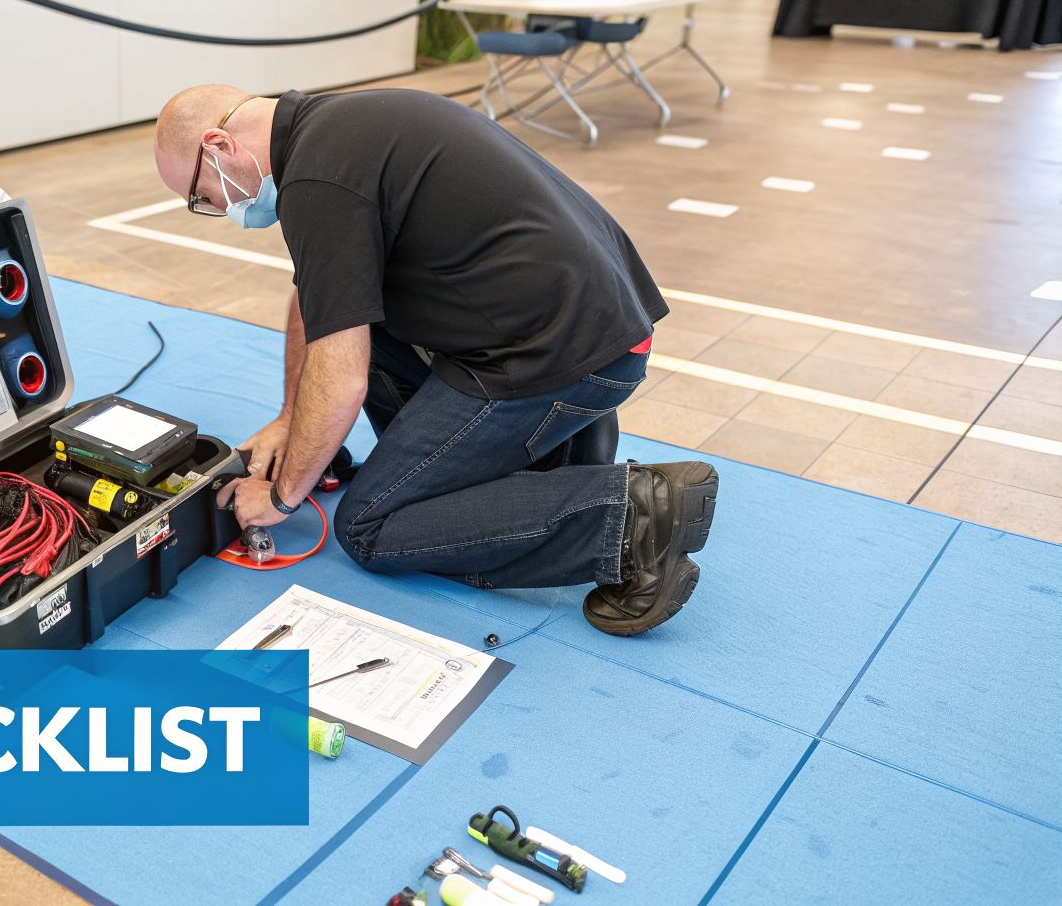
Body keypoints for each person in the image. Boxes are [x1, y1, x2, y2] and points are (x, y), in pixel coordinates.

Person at [153, 85, 719, 635]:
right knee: (359, 330)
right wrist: (289, 419)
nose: (220, 208)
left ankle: (633, 516)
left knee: (372, 527)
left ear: (219, 146)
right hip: (593, 324)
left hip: (559, 358)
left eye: (203, 197)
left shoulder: (316, 180)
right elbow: (317, 298)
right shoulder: (334, 127)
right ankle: (551, 473)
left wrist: (281, 495)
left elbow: (342, 375)